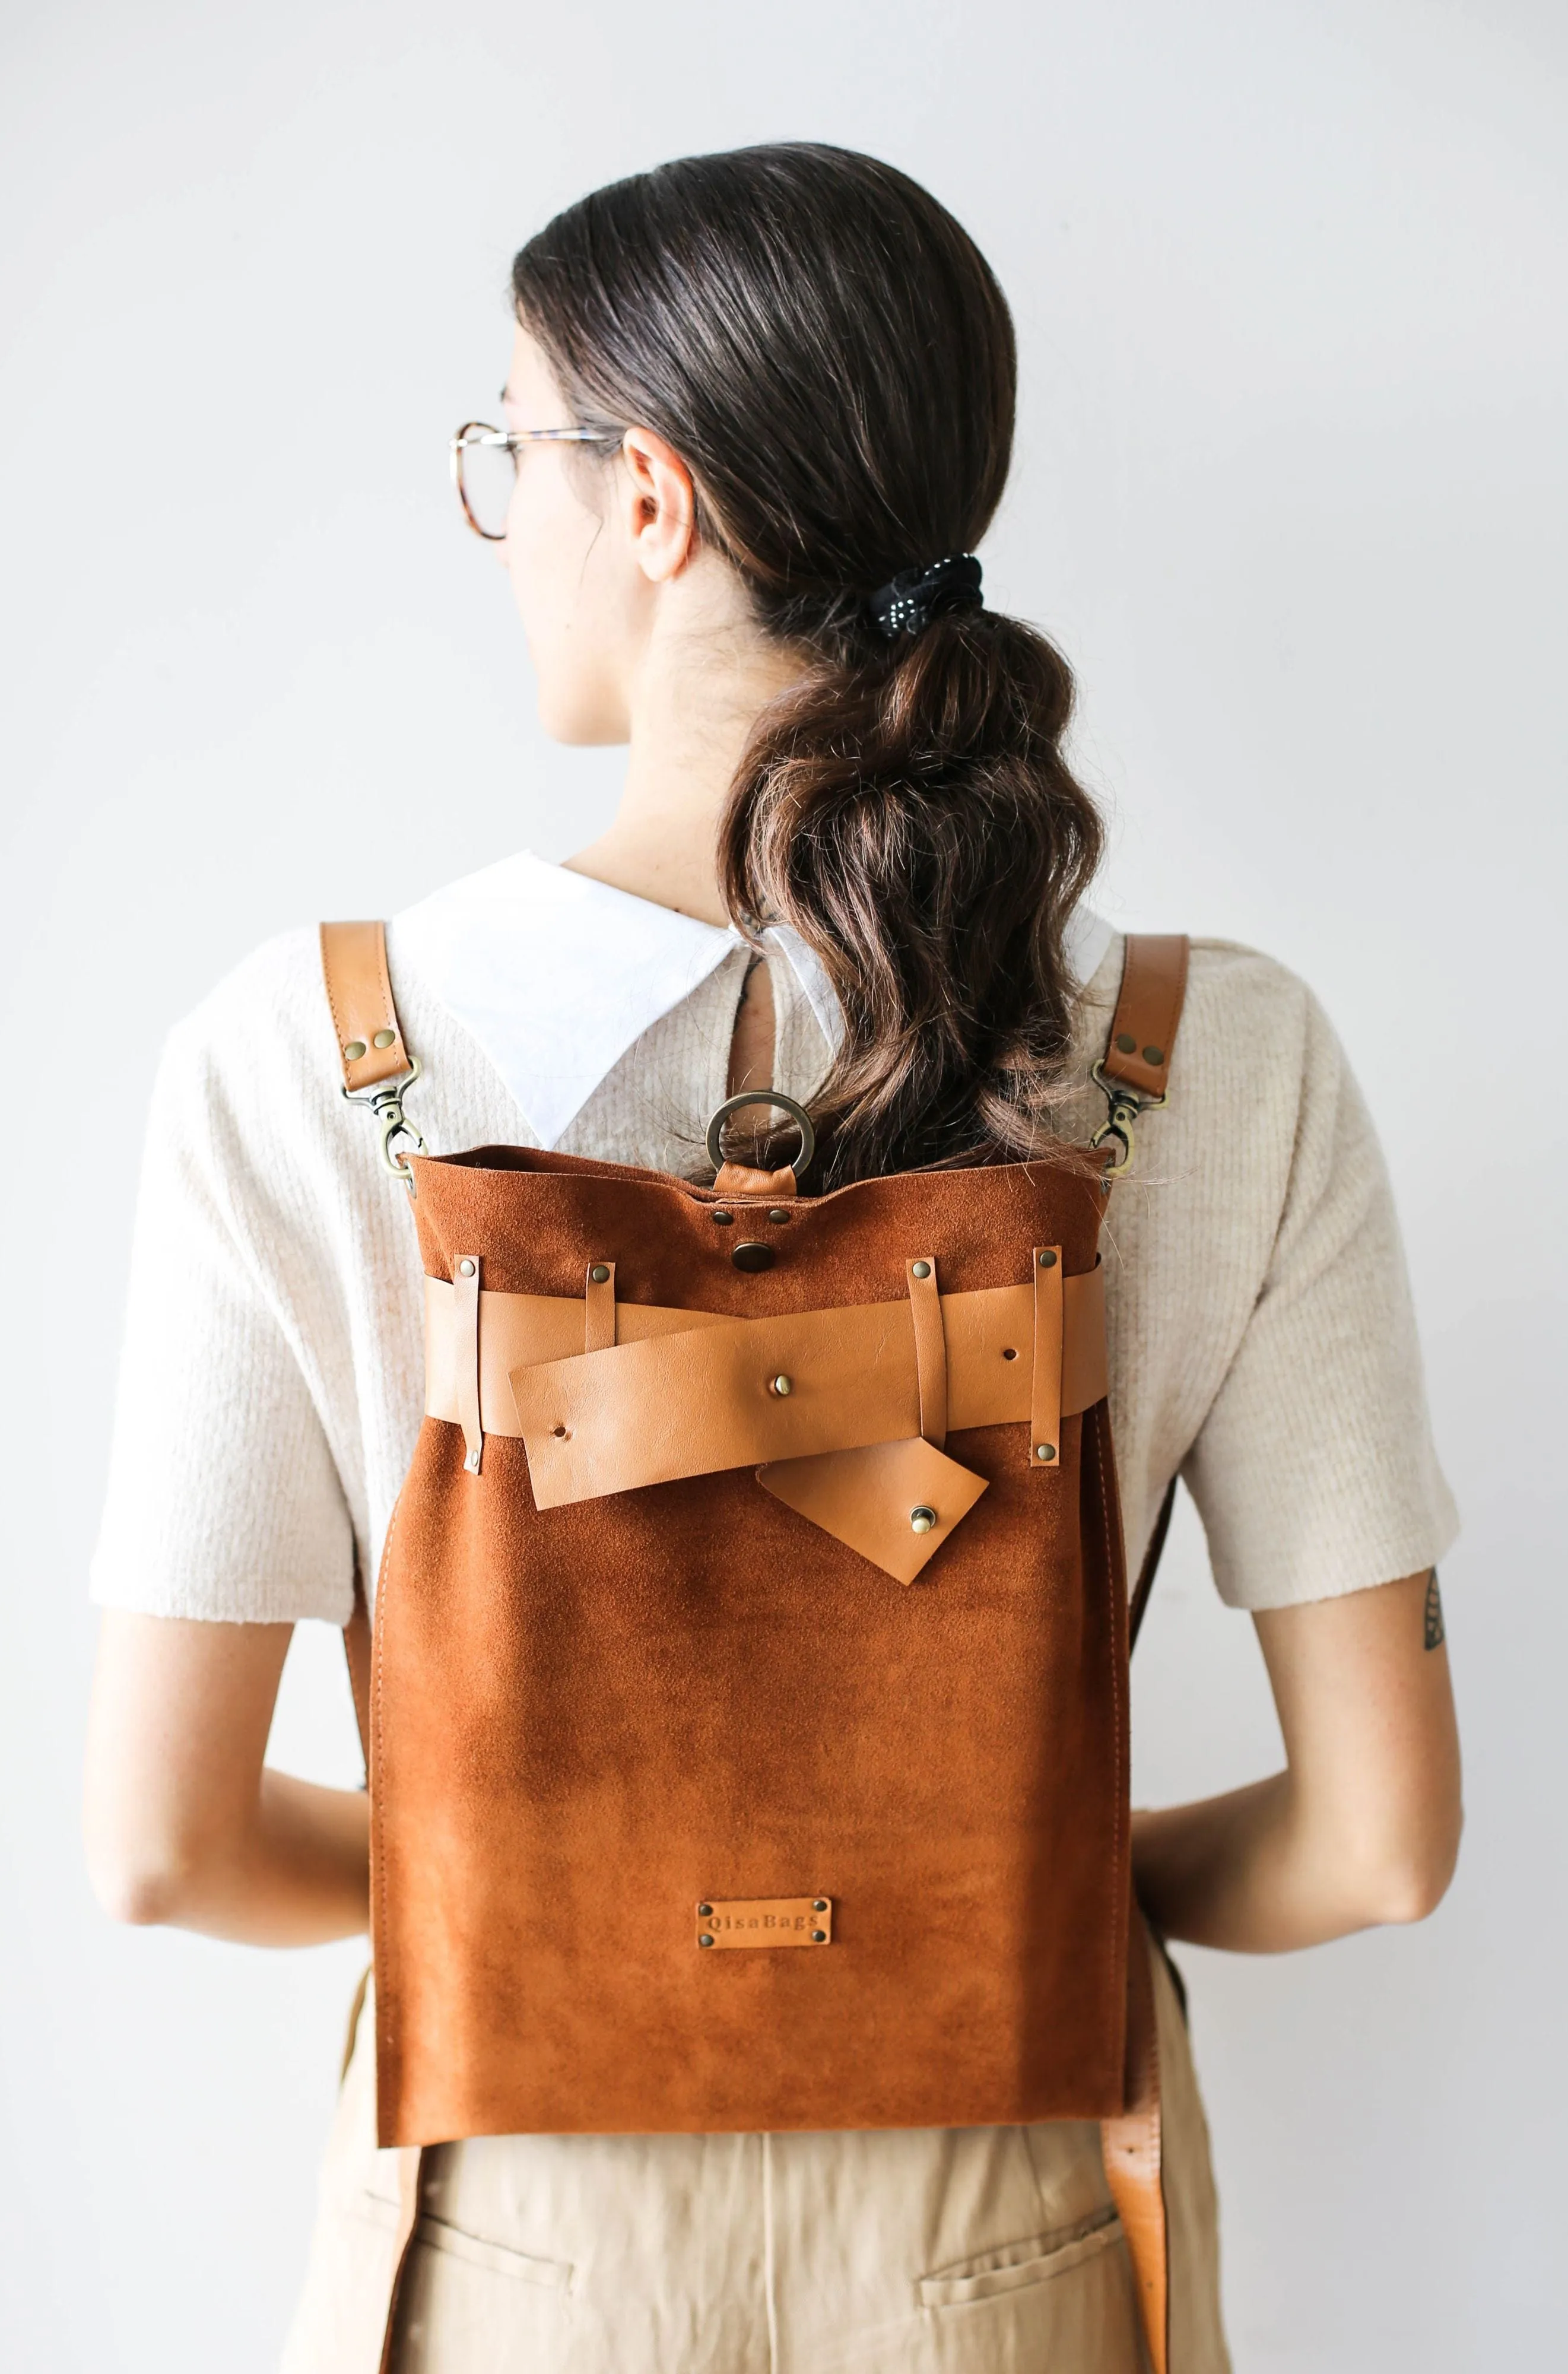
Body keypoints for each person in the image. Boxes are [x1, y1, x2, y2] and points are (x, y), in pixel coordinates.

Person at [83, 143, 1462, 2373]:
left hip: (507, 2244)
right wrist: (968, 1894)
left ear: (651, 500)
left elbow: (161, 1847)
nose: (498, 522)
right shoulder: (1220, 1061)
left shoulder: (300, 1059)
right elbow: (1381, 1844)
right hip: (1022, 2229)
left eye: (505, 451)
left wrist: (590, 1909)